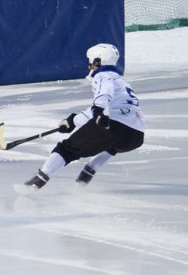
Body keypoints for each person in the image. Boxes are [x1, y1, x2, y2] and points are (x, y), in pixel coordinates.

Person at [23, 43, 145, 190]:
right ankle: (84, 179)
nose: (89, 66)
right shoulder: (121, 82)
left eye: (91, 62)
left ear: (98, 61)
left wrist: (98, 111)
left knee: (66, 150)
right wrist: (72, 121)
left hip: (114, 126)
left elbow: (103, 96)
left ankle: (38, 181)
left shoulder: (102, 75)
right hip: (135, 135)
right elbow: (100, 110)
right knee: (111, 146)